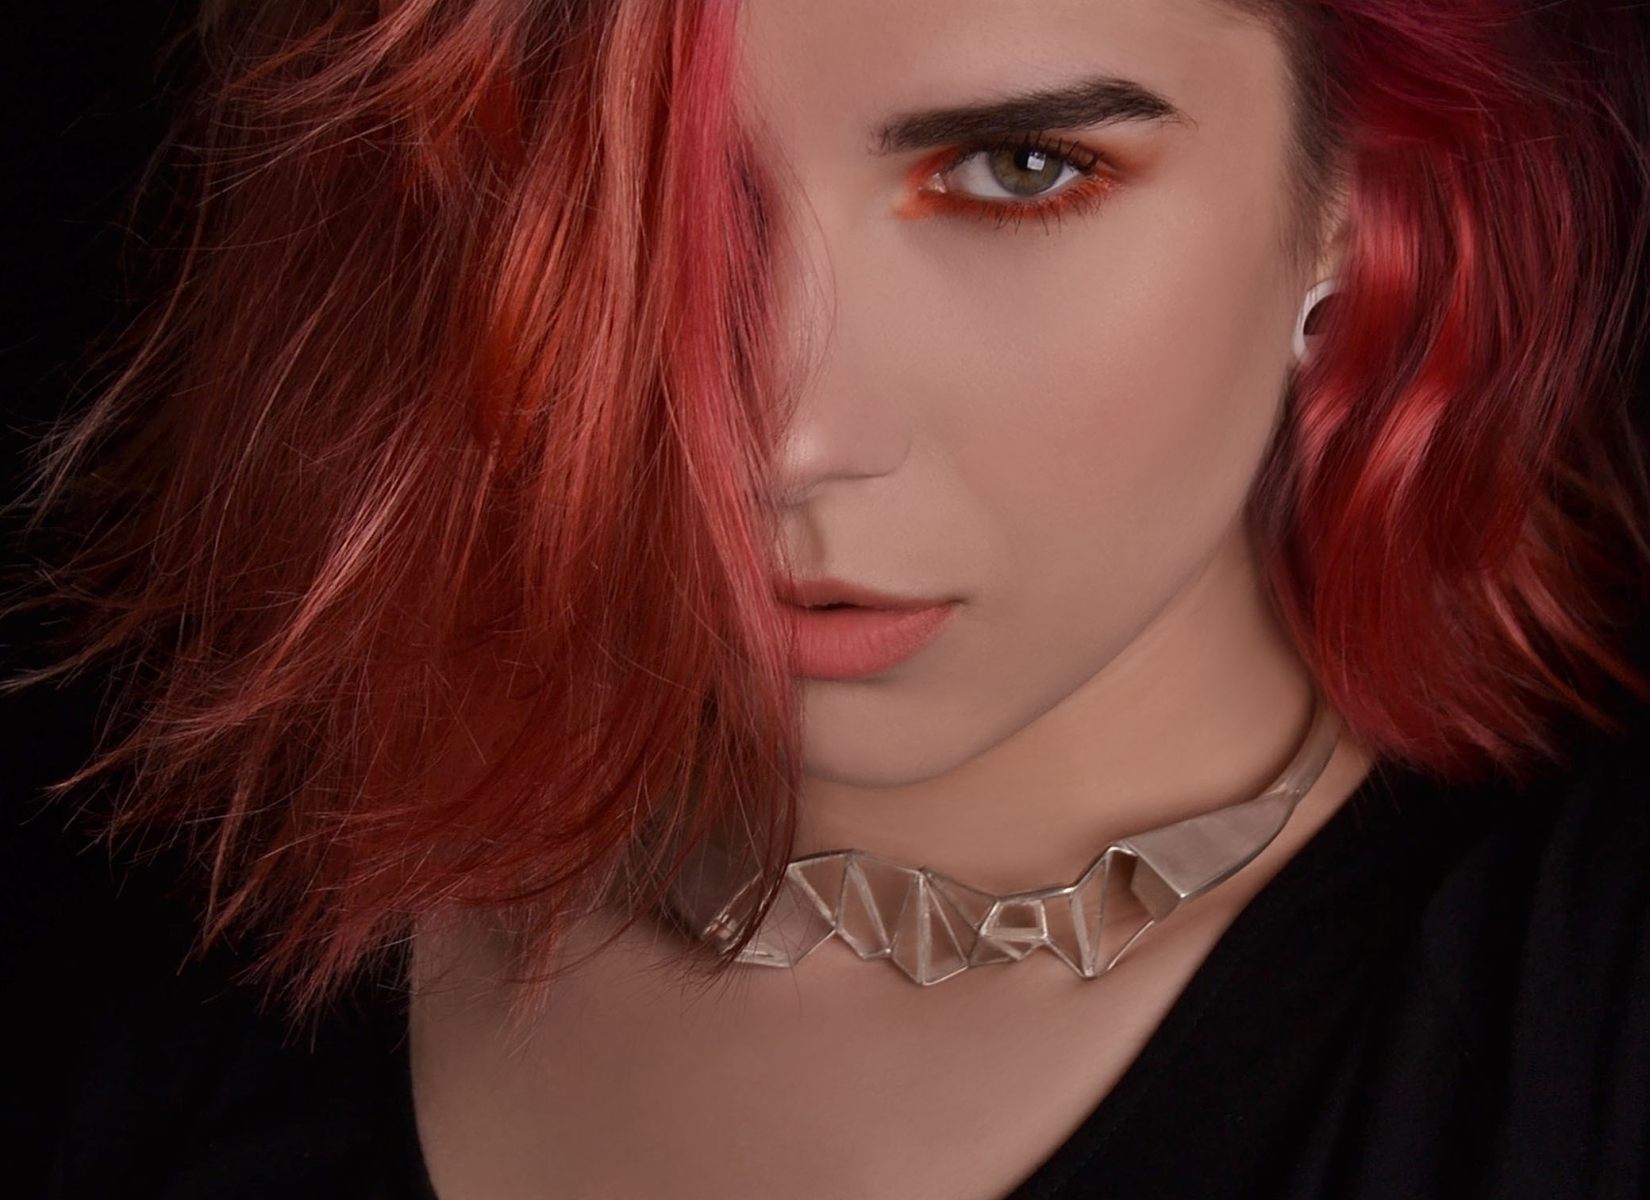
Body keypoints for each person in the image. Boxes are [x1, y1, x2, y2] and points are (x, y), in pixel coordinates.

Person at [5, 0, 1650, 1196]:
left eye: (1017, 168)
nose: (782, 434)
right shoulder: (155, 901)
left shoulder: (1583, 1028)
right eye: (630, 195)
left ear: (1347, 196)